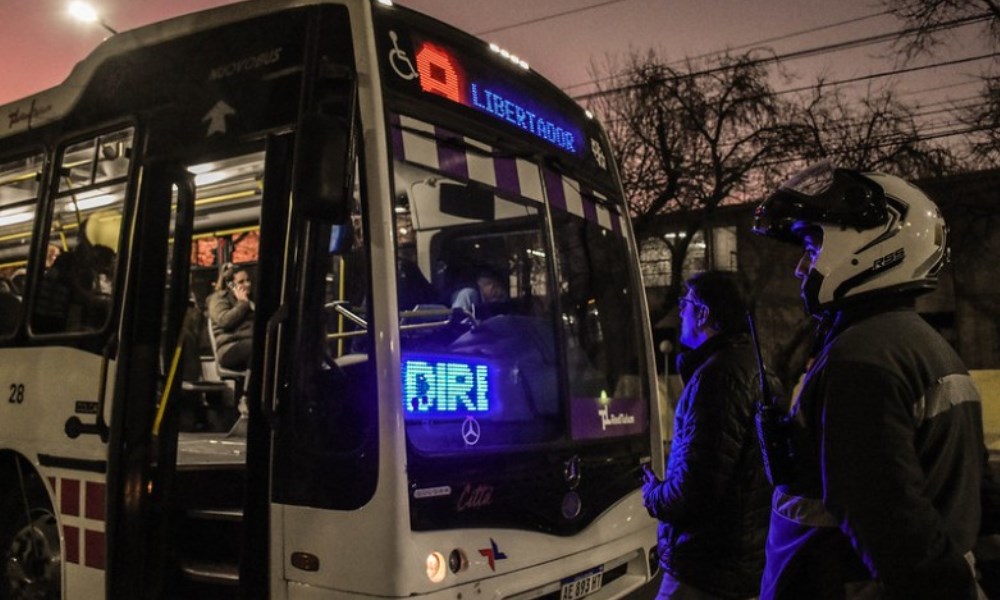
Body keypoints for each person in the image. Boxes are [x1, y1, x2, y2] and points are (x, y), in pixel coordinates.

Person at [751, 163, 985, 599]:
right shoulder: (927, 346)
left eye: (812, 243)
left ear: (873, 242)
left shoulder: (861, 357)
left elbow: (885, 517)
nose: (801, 267)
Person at [641, 270, 772, 600]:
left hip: (704, 567)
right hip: (738, 561)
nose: (680, 312)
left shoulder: (717, 378)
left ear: (703, 314)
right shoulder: (752, 365)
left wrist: (653, 494)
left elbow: (695, 488)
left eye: (685, 304)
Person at [207, 263, 254, 371]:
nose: (247, 284)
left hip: (247, 342)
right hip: (229, 347)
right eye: (241, 282)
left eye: (248, 280)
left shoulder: (251, 300)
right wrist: (242, 304)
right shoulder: (219, 299)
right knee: (255, 349)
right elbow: (224, 321)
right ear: (230, 285)